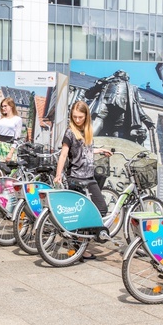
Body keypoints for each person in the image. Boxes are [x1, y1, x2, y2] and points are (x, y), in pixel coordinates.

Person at [54, 100, 112, 261]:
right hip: (76, 178)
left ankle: (78, 242)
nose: (77, 120)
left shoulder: (87, 131)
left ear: (86, 116)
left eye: (80, 117)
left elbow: (85, 149)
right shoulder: (69, 132)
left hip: (89, 177)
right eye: (75, 117)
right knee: (86, 212)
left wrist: (100, 150)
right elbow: (64, 154)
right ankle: (80, 246)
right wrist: (58, 174)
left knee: (99, 209)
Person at [83, 69, 155, 144]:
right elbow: (88, 95)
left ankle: (116, 148)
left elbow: (137, 105)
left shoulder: (132, 88)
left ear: (126, 77)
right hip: (105, 102)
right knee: (97, 118)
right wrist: (99, 84)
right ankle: (86, 142)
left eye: (121, 72)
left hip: (123, 107)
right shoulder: (106, 82)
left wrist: (145, 119)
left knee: (119, 128)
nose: (119, 72)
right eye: (118, 72)